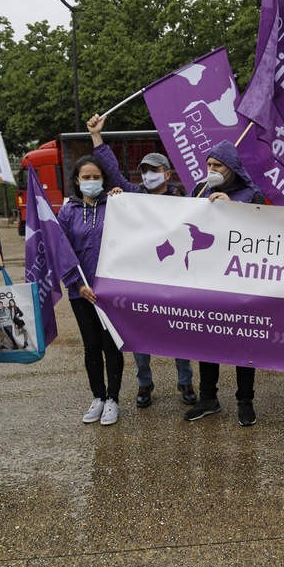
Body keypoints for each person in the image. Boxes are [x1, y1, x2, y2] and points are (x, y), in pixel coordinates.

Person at [86, 113, 197, 408]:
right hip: (142, 278)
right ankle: (144, 384)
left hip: (176, 278)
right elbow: (112, 170)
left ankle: (185, 383)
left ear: (167, 174)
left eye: (154, 170)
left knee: (180, 334)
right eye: (144, 171)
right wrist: (97, 137)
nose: (148, 175)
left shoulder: (186, 202)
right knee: (140, 335)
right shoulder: (133, 195)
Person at [183, 140, 265, 426]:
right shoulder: (199, 190)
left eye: (217, 166)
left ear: (231, 168)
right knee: (207, 339)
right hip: (208, 278)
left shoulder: (251, 193)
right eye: (209, 165)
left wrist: (235, 209)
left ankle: (245, 400)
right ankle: (209, 398)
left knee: (244, 343)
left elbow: (263, 231)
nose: (211, 170)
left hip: (241, 280)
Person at [57, 152, 126, 426]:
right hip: (81, 292)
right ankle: (97, 396)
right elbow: (61, 251)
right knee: (91, 346)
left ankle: (113, 399)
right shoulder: (67, 212)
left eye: (96, 177)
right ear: (77, 181)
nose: (91, 181)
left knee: (112, 345)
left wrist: (124, 200)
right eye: (86, 177)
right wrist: (77, 284)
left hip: (110, 293)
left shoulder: (117, 205)